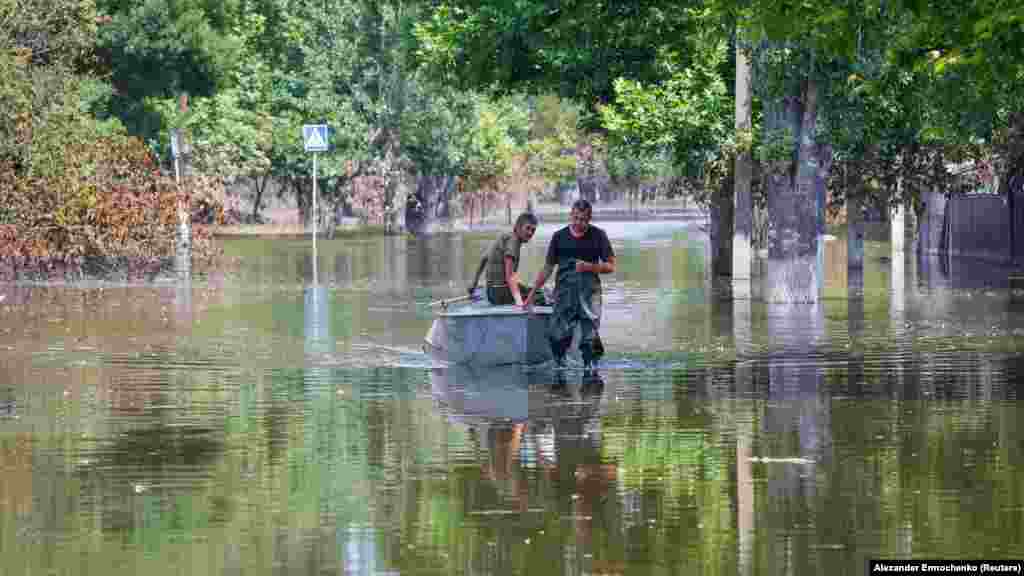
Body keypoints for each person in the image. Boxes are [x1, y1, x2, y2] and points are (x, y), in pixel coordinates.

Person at [524, 199, 614, 369]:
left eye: (583, 219)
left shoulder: (599, 235)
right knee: (556, 335)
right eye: (576, 218)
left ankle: (591, 371)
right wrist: (531, 295)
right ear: (571, 215)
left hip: (590, 294)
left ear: (589, 218)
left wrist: (589, 266)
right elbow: (548, 268)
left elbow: (610, 266)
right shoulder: (559, 237)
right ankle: (560, 367)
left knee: (590, 338)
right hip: (564, 293)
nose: (579, 223)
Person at [467, 212, 547, 306]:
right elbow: (510, 276)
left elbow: (484, 259)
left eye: (533, 230)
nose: (530, 233)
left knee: (532, 289)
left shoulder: (504, 236)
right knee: (539, 296)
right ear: (518, 227)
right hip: (499, 293)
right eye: (528, 228)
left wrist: (474, 284)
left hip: (491, 291)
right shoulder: (514, 242)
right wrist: (519, 302)